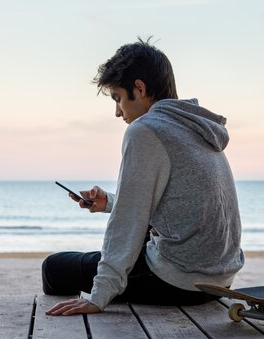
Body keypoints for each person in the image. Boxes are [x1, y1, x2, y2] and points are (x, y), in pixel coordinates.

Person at [43, 38, 244, 316]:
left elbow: (127, 223)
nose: (117, 112)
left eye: (118, 98)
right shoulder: (196, 127)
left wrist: (99, 295)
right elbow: (178, 201)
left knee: (54, 268)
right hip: (220, 280)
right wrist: (112, 202)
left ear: (139, 88)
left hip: (179, 282)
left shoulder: (145, 130)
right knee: (141, 243)